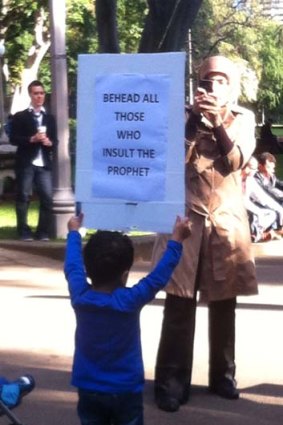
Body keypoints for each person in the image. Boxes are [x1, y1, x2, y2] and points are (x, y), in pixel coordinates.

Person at [152, 55, 258, 413]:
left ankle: (223, 376)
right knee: (179, 303)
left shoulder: (243, 119)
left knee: (224, 302)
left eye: (221, 81)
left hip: (226, 222)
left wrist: (217, 124)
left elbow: (234, 163)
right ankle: (170, 382)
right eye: (208, 80)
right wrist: (195, 121)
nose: (213, 86)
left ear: (231, 86)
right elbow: (168, 161)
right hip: (186, 222)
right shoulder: (181, 117)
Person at [64, 213, 190, 425]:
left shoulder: (80, 296)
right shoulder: (129, 301)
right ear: (124, 275)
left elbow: (73, 266)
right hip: (125, 388)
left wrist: (74, 233)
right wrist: (176, 240)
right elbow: (158, 278)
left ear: (89, 269)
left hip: (88, 386)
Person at [10, 80, 58, 241]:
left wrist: (48, 142)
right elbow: (14, 139)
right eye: (36, 93)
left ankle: (42, 232)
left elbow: (55, 141)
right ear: (30, 95)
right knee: (23, 196)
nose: (39, 96)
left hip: (43, 163)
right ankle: (23, 231)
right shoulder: (20, 116)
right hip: (26, 162)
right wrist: (32, 139)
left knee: (47, 198)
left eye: (42, 93)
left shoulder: (49, 118)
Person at [242, 156, 283, 242]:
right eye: (253, 168)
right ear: (245, 167)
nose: (255, 171)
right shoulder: (234, 179)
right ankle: (257, 234)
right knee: (255, 215)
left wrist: (279, 210)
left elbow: (263, 197)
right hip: (236, 211)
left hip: (252, 209)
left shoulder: (250, 180)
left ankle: (257, 234)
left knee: (271, 214)